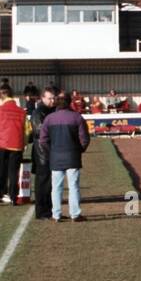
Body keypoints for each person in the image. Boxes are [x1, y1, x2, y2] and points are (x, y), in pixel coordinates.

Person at [39, 90, 90, 221]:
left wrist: (51, 152)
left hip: (55, 157)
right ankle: (75, 214)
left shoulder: (49, 119)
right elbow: (84, 138)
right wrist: (79, 150)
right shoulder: (77, 117)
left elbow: (43, 140)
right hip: (73, 156)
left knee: (56, 187)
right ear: (69, 102)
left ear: (57, 103)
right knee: (73, 186)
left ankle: (56, 214)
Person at [29, 86, 56, 218]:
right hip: (42, 153)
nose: (52, 101)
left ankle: (49, 209)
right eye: (50, 98)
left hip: (50, 151)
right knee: (42, 183)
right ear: (43, 98)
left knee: (50, 184)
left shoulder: (52, 111)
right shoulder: (38, 113)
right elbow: (39, 131)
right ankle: (41, 211)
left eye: (53, 98)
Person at [0, 84, 27, 205]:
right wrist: (24, 143)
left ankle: (1, 194)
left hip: (2, 143)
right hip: (16, 145)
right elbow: (27, 130)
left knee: (1, 170)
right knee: (13, 172)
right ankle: (13, 197)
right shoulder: (21, 112)